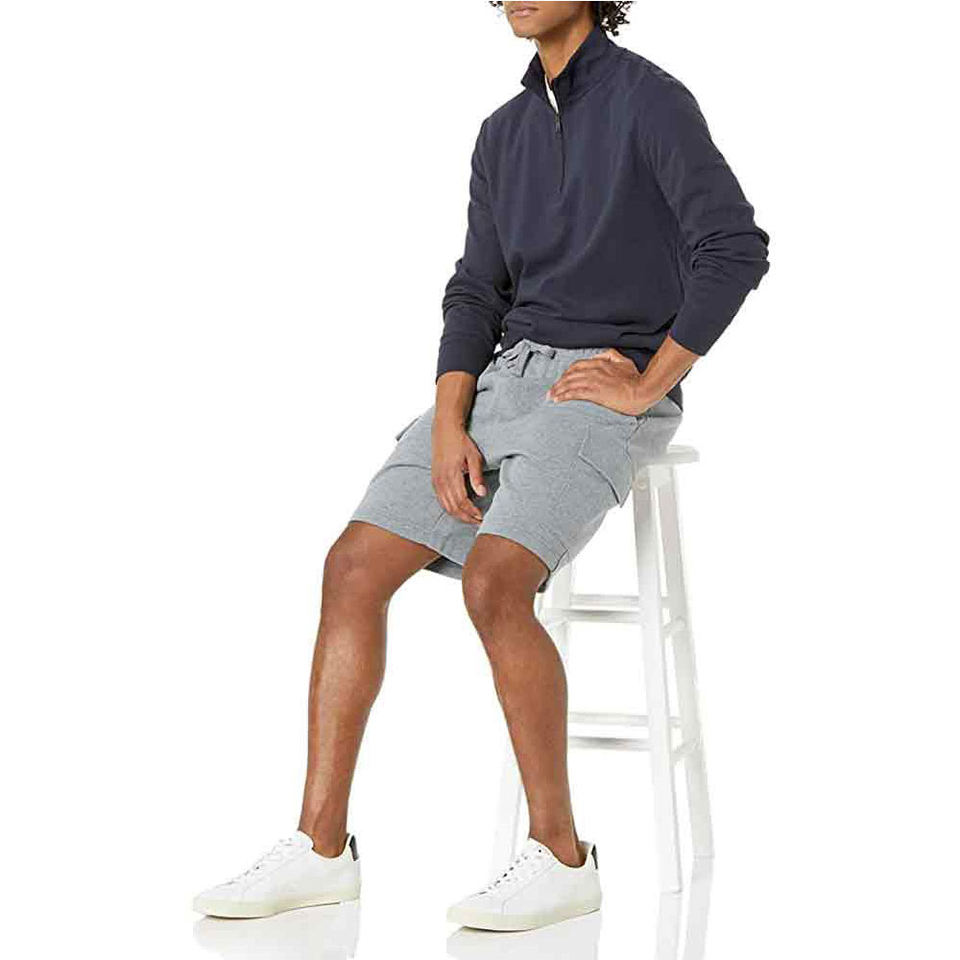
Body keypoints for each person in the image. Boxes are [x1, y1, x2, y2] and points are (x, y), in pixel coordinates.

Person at [193, 0, 769, 932]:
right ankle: (321, 848)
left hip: (599, 381)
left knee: (496, 582)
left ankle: (562, 858)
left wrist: (648, 381)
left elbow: (734, 246)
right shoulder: (503, 132)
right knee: (352, 567)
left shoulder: (651, 102)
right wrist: (449, 419)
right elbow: (476, 289)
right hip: (503, 381)